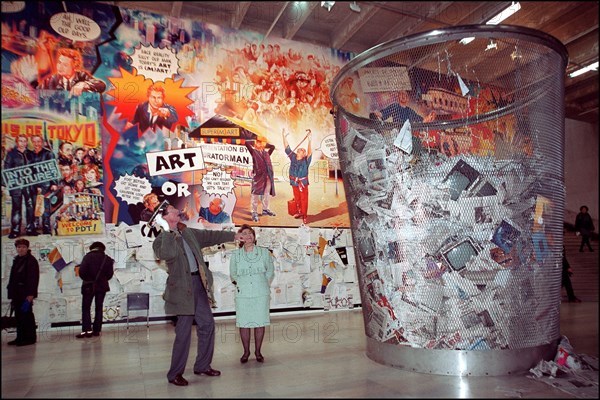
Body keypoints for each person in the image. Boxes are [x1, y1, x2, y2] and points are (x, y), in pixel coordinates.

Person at [152, 204, 243, 386]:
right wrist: (168, 230)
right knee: (184, 332)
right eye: (173, 210)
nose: (177, 211)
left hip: (198, 284)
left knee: (207, 324)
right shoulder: (161, 240)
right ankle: (175, 374)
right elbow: (167, 254)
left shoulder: (189, 233)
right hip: (181, 289)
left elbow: (210, 236)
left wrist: (233, 235)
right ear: (165, 216)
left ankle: (202, 365)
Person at [229, 224, 274, 363]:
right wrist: (242, 284)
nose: (248, 236)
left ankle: (258, 351)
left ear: (254, 237)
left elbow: (270, 272)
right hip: (243, 294)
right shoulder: (235, 255)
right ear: (240, 238)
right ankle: (246, 352)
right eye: (245, 234)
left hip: (261, 293)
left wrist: (262, 283)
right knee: (244, 323)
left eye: (250, 234)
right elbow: (233, 274)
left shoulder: (264, 252)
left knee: (260, 323)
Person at [76, 241, 115, 338]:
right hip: (102, 286)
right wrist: (102, 279)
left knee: (86, 308)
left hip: (88, 286)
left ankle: (87, 331)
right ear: (102, 249)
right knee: (99, 308)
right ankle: (97, 330)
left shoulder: (87, 257)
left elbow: (82, 272)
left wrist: (88, 279)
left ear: (92, 248)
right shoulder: (107, 259)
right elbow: (110, 275)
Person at [6, 238, 40, 346]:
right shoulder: (17, 259)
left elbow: (33, 278)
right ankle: (20, 337)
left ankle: (29, 338)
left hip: (26, 293)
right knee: (18, 316)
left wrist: (31, 294)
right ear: (16, 248)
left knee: (27, 315)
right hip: (17, 293)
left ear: (27, 248)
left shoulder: (31, 260)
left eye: (23, 247)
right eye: (19, 247)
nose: (21, 249)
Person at [3, 134, 37, 238]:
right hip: (16, 185)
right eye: (20, 141)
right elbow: (6, 169)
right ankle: (15, 230)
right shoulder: (11, 154)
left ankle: (31, 229)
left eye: (24, 141)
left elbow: (36, 168)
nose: (22, 143)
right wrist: (4, 184)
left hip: (29, 184)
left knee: (30, 207)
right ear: (17, 142)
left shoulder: (31, 154)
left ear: (27, 142)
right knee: (16, 208)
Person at [40, 47, 106, 95]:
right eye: (59, 62)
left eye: (65, 65)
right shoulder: (51, 80)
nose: (60, 67)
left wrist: (84, 84)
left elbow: (101, 85)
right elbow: (35, 92)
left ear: (75, 66)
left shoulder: (82, 75)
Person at [26, 134, 56, 234]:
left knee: (45, 207)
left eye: (38, 141)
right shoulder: (30, 154)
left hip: (46, 184)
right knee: (35, 206)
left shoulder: (48, 154)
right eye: (34, 141)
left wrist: (54, 183)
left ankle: (46, 228)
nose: (36, 144)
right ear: (32, 142)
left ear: (42, 142)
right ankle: (34, 228)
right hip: (33, 184)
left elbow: (53, 169)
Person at [283, 128, 313, 225]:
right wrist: (283, 136)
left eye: (302, 150)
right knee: (297, 198)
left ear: (303, 154)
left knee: (304, 199)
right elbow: (287, 148)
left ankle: (304, 215)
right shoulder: (293, 157)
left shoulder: (306, 161)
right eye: (300, 149)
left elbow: (310, 153)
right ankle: (300, 212)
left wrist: (309, 141)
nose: (301, 150)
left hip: (303, 184)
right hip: (294, 182)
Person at [245, 136, 276, 222]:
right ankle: (254, 212)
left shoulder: (266, 153)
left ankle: (265, 209)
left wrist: (264, 143)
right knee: (255, 195)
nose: (259, 143)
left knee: (266, 194)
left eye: (261, 142)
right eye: (258, 142)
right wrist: (255, 141)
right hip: (258, 177)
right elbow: (246, 142)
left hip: (268, 177)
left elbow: (272, 146)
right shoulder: (254, 152)